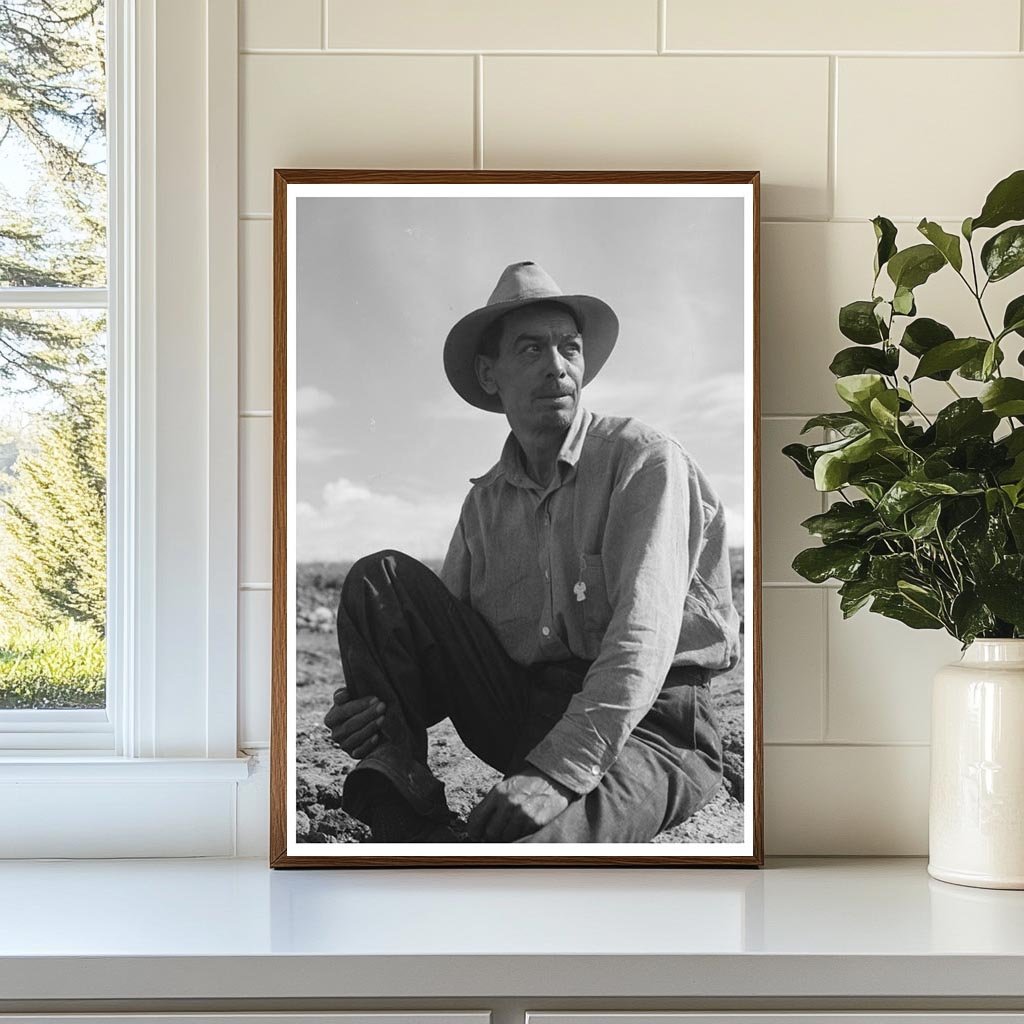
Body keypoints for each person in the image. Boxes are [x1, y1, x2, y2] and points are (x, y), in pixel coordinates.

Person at [324, 261, 741, 843]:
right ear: (488, 375)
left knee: (536, 849)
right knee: (380, 580)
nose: (557, 368)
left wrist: (554, 774)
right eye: (529, 350)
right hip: (527, 715)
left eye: (569, 348)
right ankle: (403, 791)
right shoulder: (485, 504)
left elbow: (640, 643)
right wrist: (369, 711)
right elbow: (434, 655)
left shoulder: (643, 461)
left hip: (654, 725)